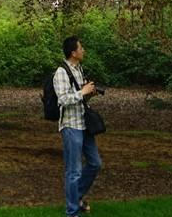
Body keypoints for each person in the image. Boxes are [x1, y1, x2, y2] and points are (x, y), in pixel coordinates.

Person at [53, 36, 102, 217]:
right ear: (73, 52)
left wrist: (89, 93)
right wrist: (82, 92)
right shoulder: (61, 72)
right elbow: (63, 99)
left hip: (84, 123)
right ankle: (72, 212)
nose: (83, 50)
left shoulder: (79, 69)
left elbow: (79, 97)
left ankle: (77, 196)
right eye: (81, 48)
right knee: (73, 170)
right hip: (71, 125)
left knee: (95, 163)